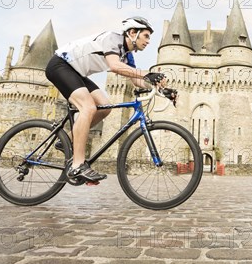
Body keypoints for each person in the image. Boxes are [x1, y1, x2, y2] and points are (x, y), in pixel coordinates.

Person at [45, 17, 166, 183]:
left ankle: (69, 140)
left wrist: (162, 89)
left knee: (105, 106)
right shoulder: (112, 39)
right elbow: (115, 66)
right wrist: (146, 73)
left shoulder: (127, 55)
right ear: (132, 33)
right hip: (61, 66)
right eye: (145, 36)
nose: (148, 41)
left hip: (76, 73)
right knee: (88, 108)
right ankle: (77, 165)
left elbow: (137, 80)